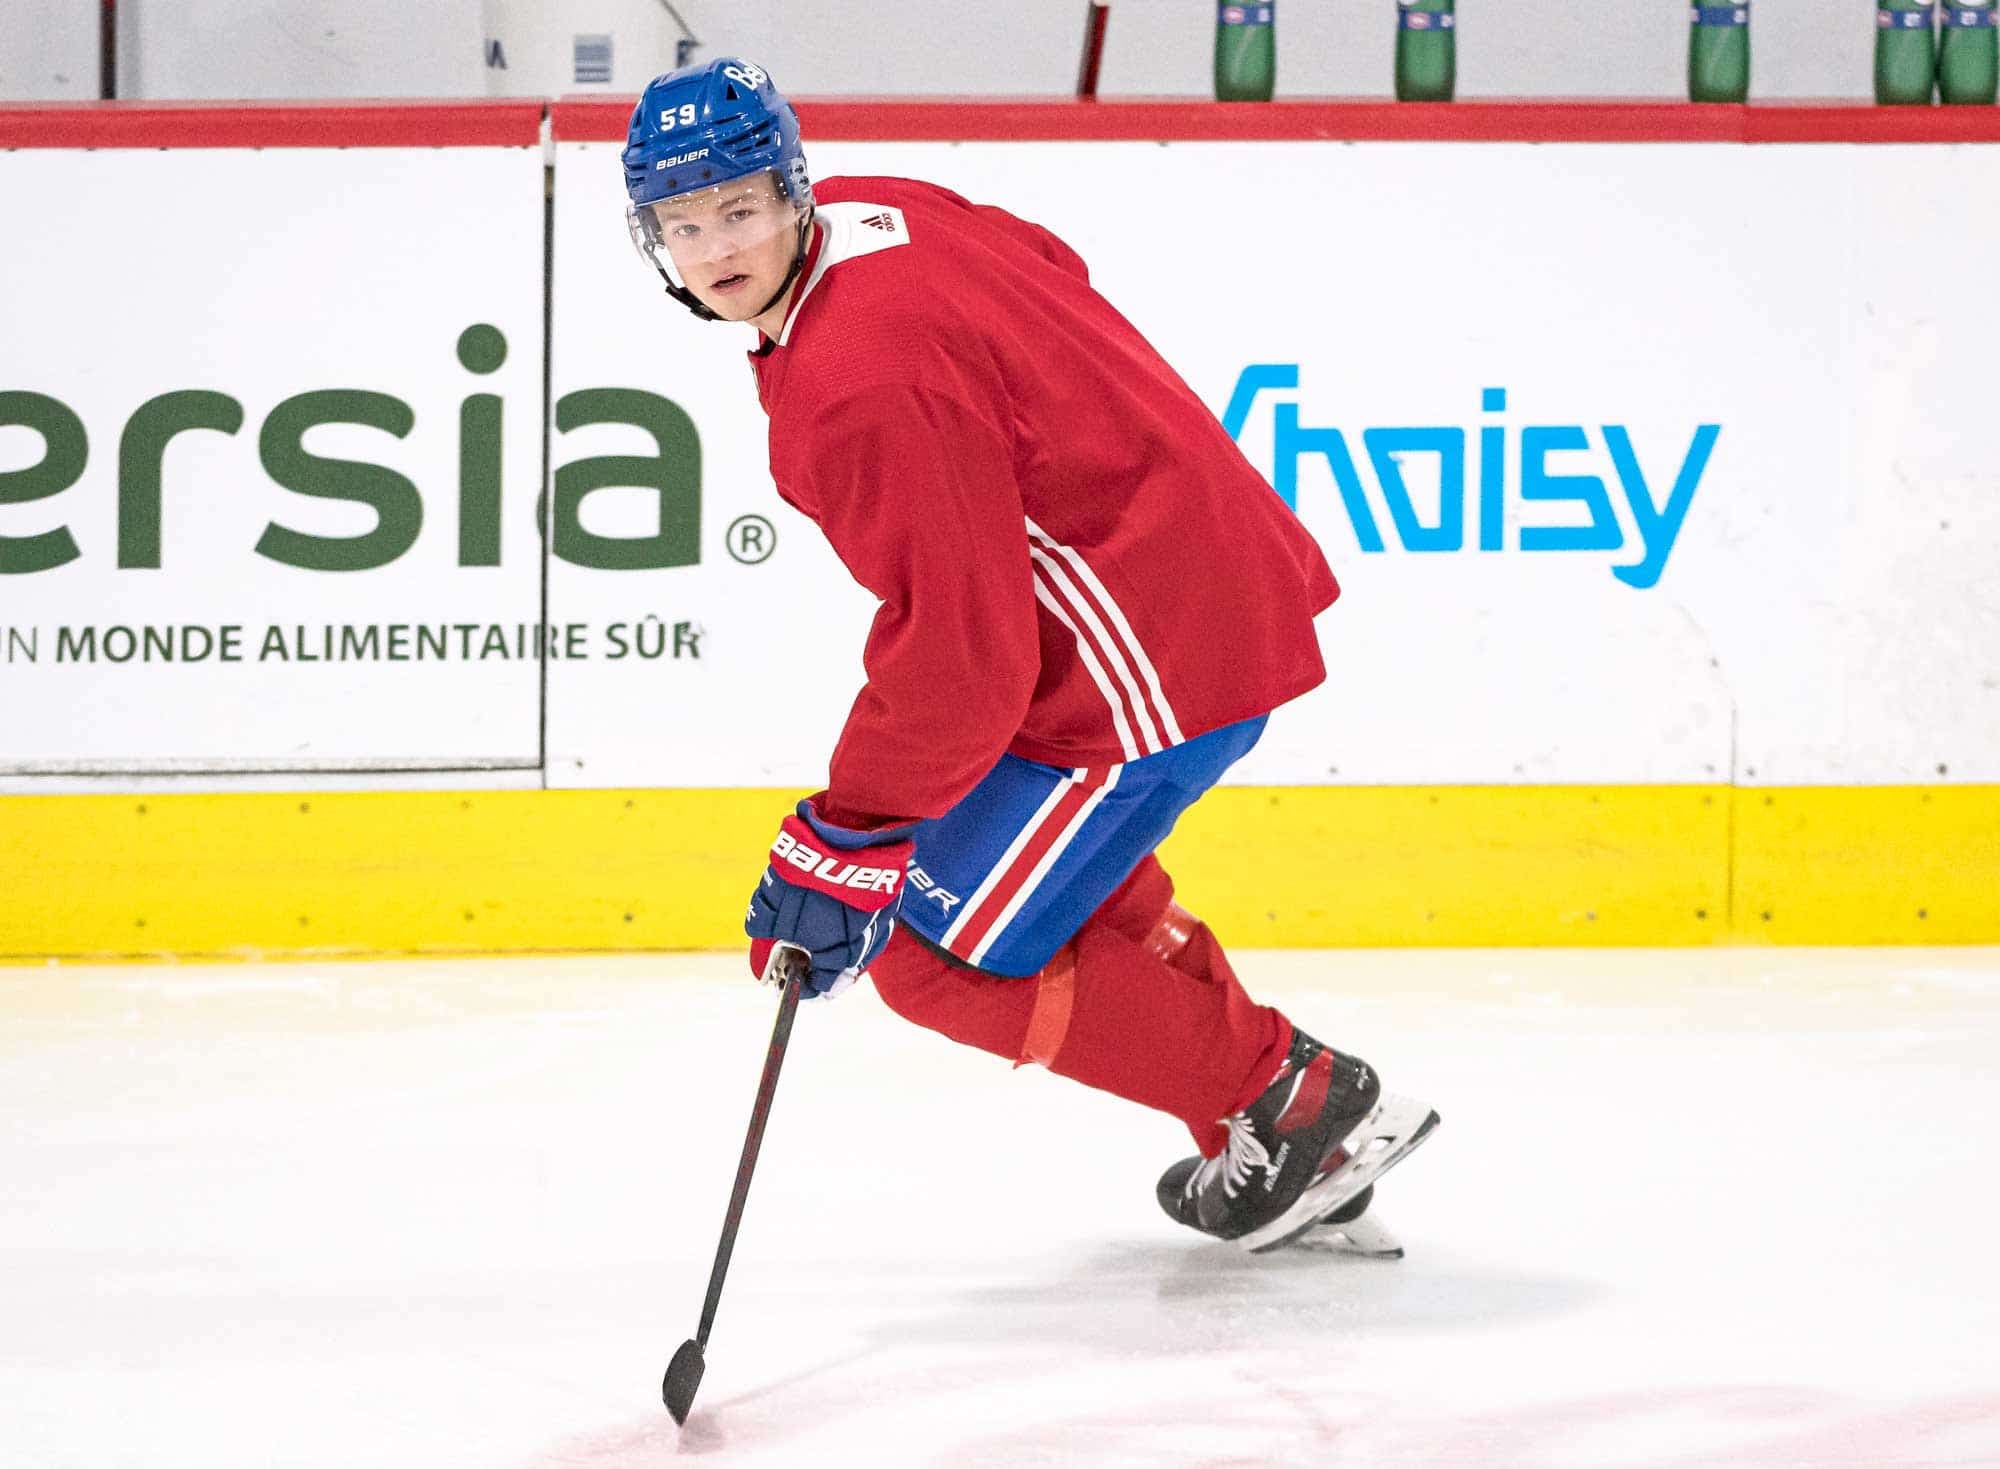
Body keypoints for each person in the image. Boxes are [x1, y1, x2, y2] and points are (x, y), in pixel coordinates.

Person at [621, 57, 1438, 1254]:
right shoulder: (880, 207)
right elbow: (1048, 260)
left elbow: (962, 654)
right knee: (1029, 884)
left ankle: (1282, 1098)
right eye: (682, 224)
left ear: (791, 193)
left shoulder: (857, 384)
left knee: (926, 945)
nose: (715, 247)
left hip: (1145, 656)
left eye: (739, 208)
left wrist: (850, 833)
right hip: (1181, 587)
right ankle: (1290, 1115)